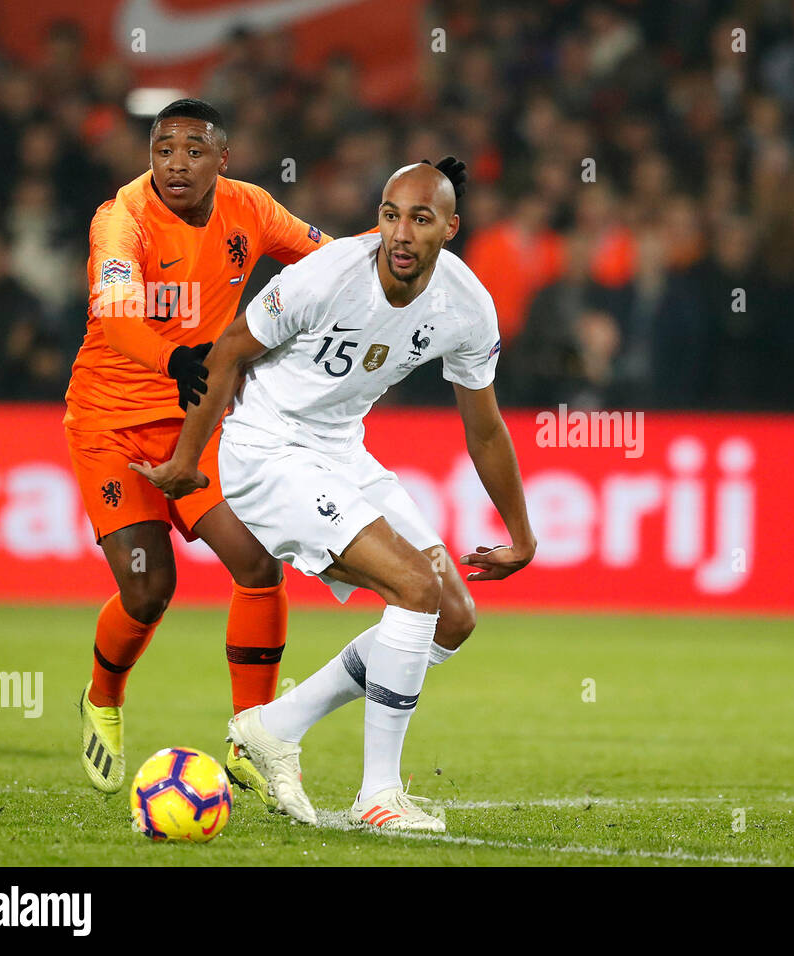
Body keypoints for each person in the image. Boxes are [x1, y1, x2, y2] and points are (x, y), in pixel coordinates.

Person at [133, 159, 537, 832]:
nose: (401, 233)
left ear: (451, 227)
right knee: (414, 586)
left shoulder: (466, 305)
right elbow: (229, 349)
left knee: (453, 615)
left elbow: (486, 426)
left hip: (341, 451)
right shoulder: (327, 275)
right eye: (389, 215)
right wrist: (184, 461)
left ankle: (272, 726)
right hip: (267, 450)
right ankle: (379, 795)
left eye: (420, 218)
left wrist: (522, 532)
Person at [67, 98, 332, 798]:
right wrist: (174, 359)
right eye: (163, 149)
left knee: (258, 563)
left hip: (194, 421)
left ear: (224, 158)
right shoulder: (120, 218)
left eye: (192, 149)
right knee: (151, 590)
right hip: (111, 424)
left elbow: (331, 261)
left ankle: (253, 735)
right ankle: (102, 698)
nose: (175, 163)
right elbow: (115, 316)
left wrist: (405, 232)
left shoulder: (252, 209)